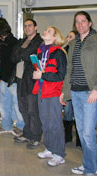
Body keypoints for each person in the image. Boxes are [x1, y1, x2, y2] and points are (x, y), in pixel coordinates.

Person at [60, 11, 97, 175]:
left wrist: (96, 88)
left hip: (90, 92)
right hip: (75, 92)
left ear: (89, 23)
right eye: (77, 22)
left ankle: (91, 168)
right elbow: (69, 70)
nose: (80, 25)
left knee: (88, 133)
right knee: (81, 132)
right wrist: (64, 92)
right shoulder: (74, 42)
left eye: (83, 21)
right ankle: (89, 164)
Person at [33, 26, 67, 167]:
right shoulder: (40, 51)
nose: (45, 31)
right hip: (42, 90)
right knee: (45, 122)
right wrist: (37, 75)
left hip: (54, 92)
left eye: (49, 31)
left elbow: (61, 75)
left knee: (55, 124)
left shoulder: (59, 53)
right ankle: (49, 148)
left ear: (54, 38)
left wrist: (43, 75)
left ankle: (59, 154)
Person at [11, 19, 43, 149]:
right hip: (19, 79)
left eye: (30, 26)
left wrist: (21, 54)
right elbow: (13, 57)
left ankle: (35, 137)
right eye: (25, 26)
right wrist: (21, 54)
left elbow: (27, 54)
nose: (27, 28)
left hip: (31, 80)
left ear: (36, 27)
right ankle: (27, 133)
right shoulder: (21, 41)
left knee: (32, 110)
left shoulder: (38, 41)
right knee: (22, 108)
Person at [0, 20, 24, 137]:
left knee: (17, 104)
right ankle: (6, 126)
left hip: (13, 79)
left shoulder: (14, 42)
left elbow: (15, 63)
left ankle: (21, 127)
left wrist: (13, 78)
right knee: (4, 103)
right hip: (3, 79)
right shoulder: (0, 42)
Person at [62, 30, 81, 146]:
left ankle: (80, 139)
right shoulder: (63, 51)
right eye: (68, 36)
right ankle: (67, 136)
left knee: (79, 115)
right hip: (67, 86)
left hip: (78, 86)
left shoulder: (79, 50)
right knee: (68, 112)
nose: (68, 39)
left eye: (71, 37)